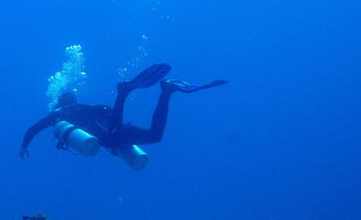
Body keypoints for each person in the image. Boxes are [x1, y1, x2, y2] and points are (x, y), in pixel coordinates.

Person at [19, 64, 227, 162]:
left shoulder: (57, 115)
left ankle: (124, 92)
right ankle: (167, 91)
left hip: (114, 134)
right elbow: (102, 109)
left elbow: (33, 129)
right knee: (155, 136)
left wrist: (24, 147)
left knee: (117, 134)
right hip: (119, 134)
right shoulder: (78, 108)